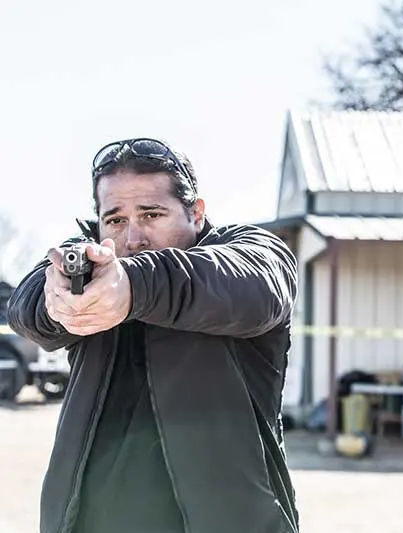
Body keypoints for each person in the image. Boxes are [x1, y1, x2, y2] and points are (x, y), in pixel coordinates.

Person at [8, 138, 300, 533]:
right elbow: (25, 308)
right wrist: (57, 297)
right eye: (115, 220)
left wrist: (133, 286)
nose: (133, 238)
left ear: (195, 213)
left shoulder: (249, 253)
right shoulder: (92, 271)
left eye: (151, 214)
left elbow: (256, 287)